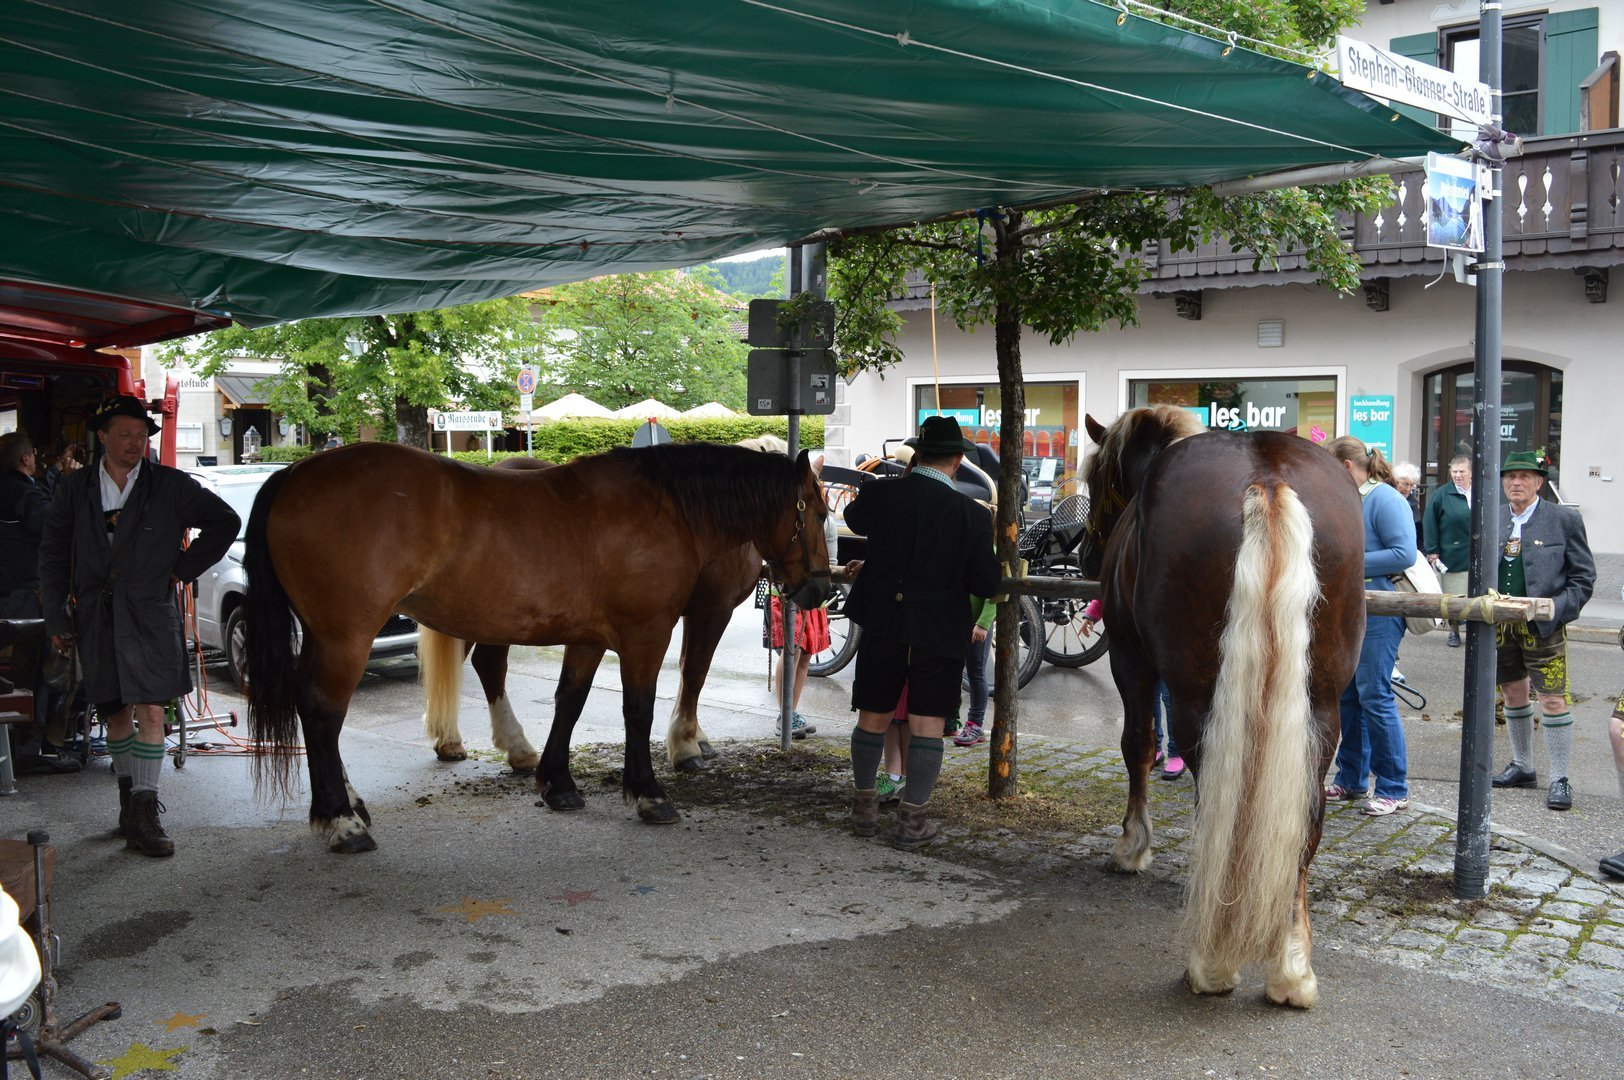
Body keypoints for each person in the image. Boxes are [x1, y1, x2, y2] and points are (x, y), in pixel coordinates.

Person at [39, 396, 240, 857]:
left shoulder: (169, 485)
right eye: (125, 434)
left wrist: (182, 568)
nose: (135, 443)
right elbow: (50, 556)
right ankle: (129, 806)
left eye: (141, 435)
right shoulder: (75, 489)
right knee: (114, 712)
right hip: (96, 614)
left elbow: (224, 521)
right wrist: (56, 616)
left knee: (152, 709)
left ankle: (146, 814)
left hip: (150, 612)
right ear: (103, 437)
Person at [842, 415, 1000, 848]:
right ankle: (912, 823)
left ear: (917, 456)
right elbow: (987, 584)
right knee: (927, 723)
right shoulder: (971, 514)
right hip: (938, 629)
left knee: (872, 715)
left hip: (884, 624)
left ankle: (863, 807)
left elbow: (854, 519)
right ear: (958, 460)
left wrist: (903, 481)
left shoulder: (881, 492)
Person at [1487, 449, 1595, 813]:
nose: (1516, 482)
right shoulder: (1494, 518)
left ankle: (1561, 777)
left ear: (1539, 482)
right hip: (1501, 625)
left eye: (1524, 477)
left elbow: (1583, 578)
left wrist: (1557, 610)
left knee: (1552, 699)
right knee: (1513, 694)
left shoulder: (1563, 519)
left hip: (1545, 625)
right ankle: (1523, 766)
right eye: (1510, 476)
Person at [1324, 436, 1416, 817]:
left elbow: (1403, 553)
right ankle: (1352, 779)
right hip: (1353, 611)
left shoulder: (1384, 498)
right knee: (1349, 696)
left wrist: (1345, 560)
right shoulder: (1353, 498)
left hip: (1381, 613)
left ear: (1346, 467)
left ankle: (1394, 787)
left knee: (1375, 696)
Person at [0, 431, 80, 773]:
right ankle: (29, 751)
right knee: (40, 672)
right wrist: (66, 482)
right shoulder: (23, 494)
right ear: (25, 459)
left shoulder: (15, 491)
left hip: (6, 593)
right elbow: (54, 526)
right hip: (26, 595)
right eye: (33, 453)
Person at [1423, 455, 1473, 647]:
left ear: (1471, 473)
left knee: (1476, 596)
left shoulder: (1480, 493)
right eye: (1454, 472)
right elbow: (1429, 522)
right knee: (1454, 596)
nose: (1458, 475)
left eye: (1462, 471)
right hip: (1452, 555)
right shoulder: (1442, 494)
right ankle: (1454, 632)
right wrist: (1432, 550)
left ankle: (1476, 634)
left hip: (1476, 554)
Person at [1391, 461, 1423, 548]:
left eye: (1412, 485)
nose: (1408, 489)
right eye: (1405, 484)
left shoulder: (1413, 504)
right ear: (1395, 482)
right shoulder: (1386, 500)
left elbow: (1418, 532)